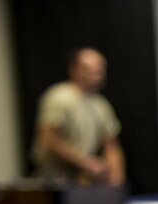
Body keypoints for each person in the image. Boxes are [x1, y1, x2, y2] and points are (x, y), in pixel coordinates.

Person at [32, 47, 125, 185]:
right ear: (74, 70)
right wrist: (85, 162)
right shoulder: (60, 97)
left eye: (100, 67)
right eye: (90, 67)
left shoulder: (101, 105)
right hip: (55, 180)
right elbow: (49, 138)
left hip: (83, 180)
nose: (97, 71)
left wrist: (116, 180)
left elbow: (111, 145)